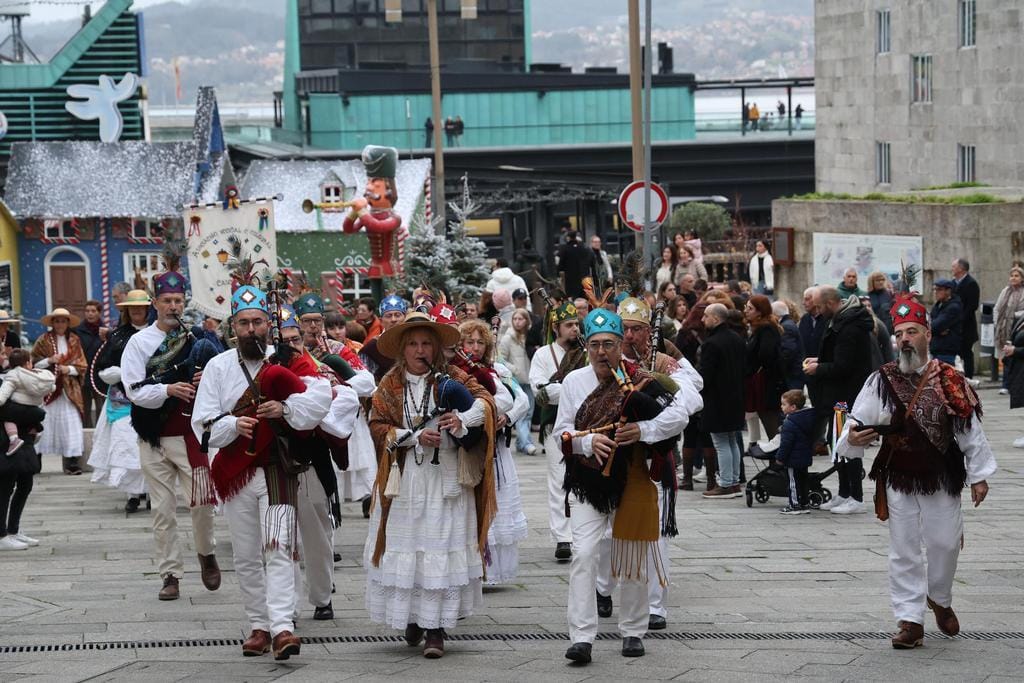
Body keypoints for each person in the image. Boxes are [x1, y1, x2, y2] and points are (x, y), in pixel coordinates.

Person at [837, 294, 995, 649]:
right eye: (900, 333)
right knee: (904, 547)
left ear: (928, 336)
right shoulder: (881, 379)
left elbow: (969, 429)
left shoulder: (951, 379)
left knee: (945, 543)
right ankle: (910, 619)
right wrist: (854, 437)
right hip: (900, 474)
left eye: (912, 331)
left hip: (942, 474)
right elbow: (855, 424)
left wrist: (979, 473)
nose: (905, 339)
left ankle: (939, 597)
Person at [191, 283, 332, 661]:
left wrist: (284, 410)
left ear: (268, 324)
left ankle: (283, 626)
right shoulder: (219, 367)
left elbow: (320, 398)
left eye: (257, 322)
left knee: (280, 548)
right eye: (243, 323)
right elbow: (201, 423)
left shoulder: (287, 359)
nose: (251, 329)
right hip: (236, 471)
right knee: (247, 554)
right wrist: (232, 426)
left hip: (277, 469)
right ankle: (259, 626)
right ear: (232, 327)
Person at [557, 308, 690, 664]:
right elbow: (561, 433)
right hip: (588, 480)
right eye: (595, 344)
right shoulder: (574, 382)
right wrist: (585, 444)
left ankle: (632, 630)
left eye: (610, 344)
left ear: (621, 345)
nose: (602, 352)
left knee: (632, 555)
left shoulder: (642, 378)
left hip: (633, 475)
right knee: (584, 553)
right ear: (587, 345)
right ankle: (582, 637)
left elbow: (680, 414)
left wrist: (643, 431)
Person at [364, 311, 497, 659]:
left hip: (447, 477)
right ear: (402, 350)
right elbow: (377, 426)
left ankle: (435, 628)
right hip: (405, 480)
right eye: (413, 344)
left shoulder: (454, 377)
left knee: (439, 544)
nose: (420, 350)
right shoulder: (389, 384)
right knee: (410, 546)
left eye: (426, 343)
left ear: (436, 347)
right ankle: (412, 615)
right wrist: (413, 438)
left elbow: (487, 403)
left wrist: (462, 418)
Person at [593, 297, 702, 632]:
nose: (630, 336)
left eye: (637, 329)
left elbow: (693, 395)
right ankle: (602, 587)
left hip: (652, 458)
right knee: (605, 533)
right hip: (609, 456)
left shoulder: (665, 358)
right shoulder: (603, 359)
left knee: (655, 537)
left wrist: (661, 382)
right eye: (624, 329)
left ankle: (656, 607)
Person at [121, 267, 220, 601]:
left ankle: (207, 554)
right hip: (153, 438)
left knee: (202, 504)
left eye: (178, 300)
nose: (174, 306)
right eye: (167, 300)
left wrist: (203, 378)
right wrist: (168, 389)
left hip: (190, 436)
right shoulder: (139, 342)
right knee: (162, 510)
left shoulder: (197, 339)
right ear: (155, 302)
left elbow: (221, 382)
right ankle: (170, 574)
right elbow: (134, 391)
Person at [458, 319, 529, 585]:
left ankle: (494, 571)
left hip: (496, 449)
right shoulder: (458, 370)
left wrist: (506, 417)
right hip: (468, 447)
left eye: (480, 342)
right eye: (470, 342)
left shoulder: (496, 369)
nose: (475, 347)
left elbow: (520, 399)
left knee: (497, 504)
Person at [804, 286, 875, 515]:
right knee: (836, 443)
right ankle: (844, 493)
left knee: (847, 444)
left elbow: (844, 366)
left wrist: (819, 368)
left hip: (847, 397)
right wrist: (820, 360)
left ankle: (856, 496)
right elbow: (838, 358)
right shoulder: (840, 321)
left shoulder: (849, 327)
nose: (817, 310)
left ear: (829, 304)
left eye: (818, 306)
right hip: (838, 396)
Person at [87, 289, 152, 512]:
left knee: (152, 448)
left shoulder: (158, 334)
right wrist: (119, 372)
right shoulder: (117, 336)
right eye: (132, 307)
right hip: (122, 402)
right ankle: (133, 494)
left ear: (148, 309)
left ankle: (153, 493)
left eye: (141, 307)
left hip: (153, 397)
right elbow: (102, 366)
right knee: (127, 445)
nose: (136, 310)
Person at [529, 301, 585, 561]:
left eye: (576, 324)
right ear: (556, 327)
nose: (574, 329)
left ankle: (583, 531)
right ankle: (563, 537)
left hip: (585, 424)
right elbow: (541, 391)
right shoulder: (543, 355)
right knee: (559, 478)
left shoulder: (586, 351)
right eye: (569, 325)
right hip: (554, 425)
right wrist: (574, 390)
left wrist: (565, 390)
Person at [31, 308, 87, 475]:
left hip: (69, 391)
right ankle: (36, 461)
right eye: (57, 321)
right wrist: (49, 360)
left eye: (63, 321)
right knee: (44, 422)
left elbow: (82, 366)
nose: (60, 324)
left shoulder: (75, 341)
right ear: (52, 323)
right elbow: (33, 363)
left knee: (71, 424)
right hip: (48, 390)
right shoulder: (43, 340)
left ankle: (72, 462)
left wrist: (67, 369)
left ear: (68, 323)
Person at [700, 303, 747, 499]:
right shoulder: (737, 339)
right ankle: (734, 481)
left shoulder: (712, 343)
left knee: (721, 442)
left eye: (706, 316)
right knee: (731, 440)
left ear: (716, 319)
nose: (703, 320)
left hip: (717, 399)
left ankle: (726, 484)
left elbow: (706, 376)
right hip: (735, 397)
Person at [744, 295, 785, 440]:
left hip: (766, 383)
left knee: (770, 421)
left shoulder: (766, 329)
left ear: (759, 311)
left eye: (750, 308)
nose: (746, 311)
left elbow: (766, 355)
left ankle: (777, 458)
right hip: (764, 382)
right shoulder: (759, 328)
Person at [0, 349, 54, 455]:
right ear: (28, 363)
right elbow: (51, 387)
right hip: (35, 406)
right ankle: (35, 430)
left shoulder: (13, 375)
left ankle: (14, 438)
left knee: (8, 418)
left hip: (19, 405)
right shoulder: (37, 375)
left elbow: (3, 393)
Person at [498, 308, 538, 455]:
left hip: (529, 379)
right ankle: (527, 443)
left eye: (521, 319)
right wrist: (513, 369)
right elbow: (500, 358)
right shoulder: (508, 338)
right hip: (516, 380)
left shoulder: (531, 337)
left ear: (527, 321)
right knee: (521, 413)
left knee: (529, 413)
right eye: (515, 319)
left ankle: (521, 443)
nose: (517, 322)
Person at [775, 389, 814, 514]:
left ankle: (794, 505)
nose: (781, 407)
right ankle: (804, 503)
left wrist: (780, 458)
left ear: (793, 407)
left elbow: (786, 444)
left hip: (792, 459)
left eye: (784, 404)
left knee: (793, 482)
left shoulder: (789, 423)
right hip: (804, 457)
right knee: (803, 481)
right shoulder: (807, 419)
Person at [73, 299, 107, 428]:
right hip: (83, 374)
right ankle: (86, 432)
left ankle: (100, 431)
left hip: (99, 374)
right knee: (85, 407)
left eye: (93, 311)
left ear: (99, 313)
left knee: (101, 405)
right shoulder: (77, 331)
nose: (90, 314)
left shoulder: (105, 331)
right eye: (87, 311)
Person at [360, 295, 409, 382]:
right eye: (388, 316)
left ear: (405, 318)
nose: (393, 319)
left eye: (397, 315)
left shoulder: (414, 343)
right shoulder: (372, 347)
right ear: (381, 321)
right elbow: (364, 381)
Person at [994, 266, 1024, 394]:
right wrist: (997, 322)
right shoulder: (1005, 291)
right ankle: (1006, 384)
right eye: (1012, 275)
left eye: (1017, 276)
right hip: (1004, 328)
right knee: (1006, 356)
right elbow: (997, 308)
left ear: (1022, 279)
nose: (1013, 278)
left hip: (1018, 328)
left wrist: (1017, 317)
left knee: (1014, 356)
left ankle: (1011, 384)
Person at [952, 258, 980, 379]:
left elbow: (972, 306)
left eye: (954, 266)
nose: (952, 269)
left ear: (961, 269)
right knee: (956, 352)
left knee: (967, 352)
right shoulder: (952, 283)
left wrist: (959, 319)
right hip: (954, 326)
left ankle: (969, 377)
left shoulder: (971, 283)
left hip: (966, 326)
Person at [773, 300, 805, 391]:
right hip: (793, 375)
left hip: (791, 376)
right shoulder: (788, 324)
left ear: (775, 314)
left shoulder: (786, 327)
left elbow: (787, 352)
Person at [929, 280, 962, 366]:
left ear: (948, 291)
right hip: (936, 349)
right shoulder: (938, 305)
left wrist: (934, 329)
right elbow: (929, 323)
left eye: (939, 290)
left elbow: (935, 326)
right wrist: (937, 331)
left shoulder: (953, 307)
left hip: (946, 351)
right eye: (935, 290)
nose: (936, 292)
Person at [556, 232, 595, 300]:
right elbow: (591, 262)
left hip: (571, 279)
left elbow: (561, 265)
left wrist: (558, 273)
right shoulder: (584, 248)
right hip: (584, 278)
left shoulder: (565, 249)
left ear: (568, 238)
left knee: (572, 299)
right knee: (585, 298)